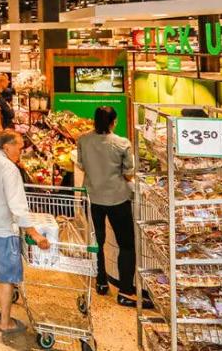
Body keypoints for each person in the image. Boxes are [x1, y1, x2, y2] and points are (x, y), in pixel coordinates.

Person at [0, 130, 51, 335]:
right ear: (7, 147)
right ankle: (5, 322)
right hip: (1, 229)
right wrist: (33, 233)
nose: (21, 152)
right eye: (19, 148)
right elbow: (17, 206)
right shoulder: (8, 168)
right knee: (6, 277)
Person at [77, 106, 141, 307]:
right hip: (117, 199)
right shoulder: (122, 143)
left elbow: (81, 165)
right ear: (114, 122)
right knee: (127, 245)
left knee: (97, 241)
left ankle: (101, 282)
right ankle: (125, 291)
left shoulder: (83, 140)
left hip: (92, 197)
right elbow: (129, 173)